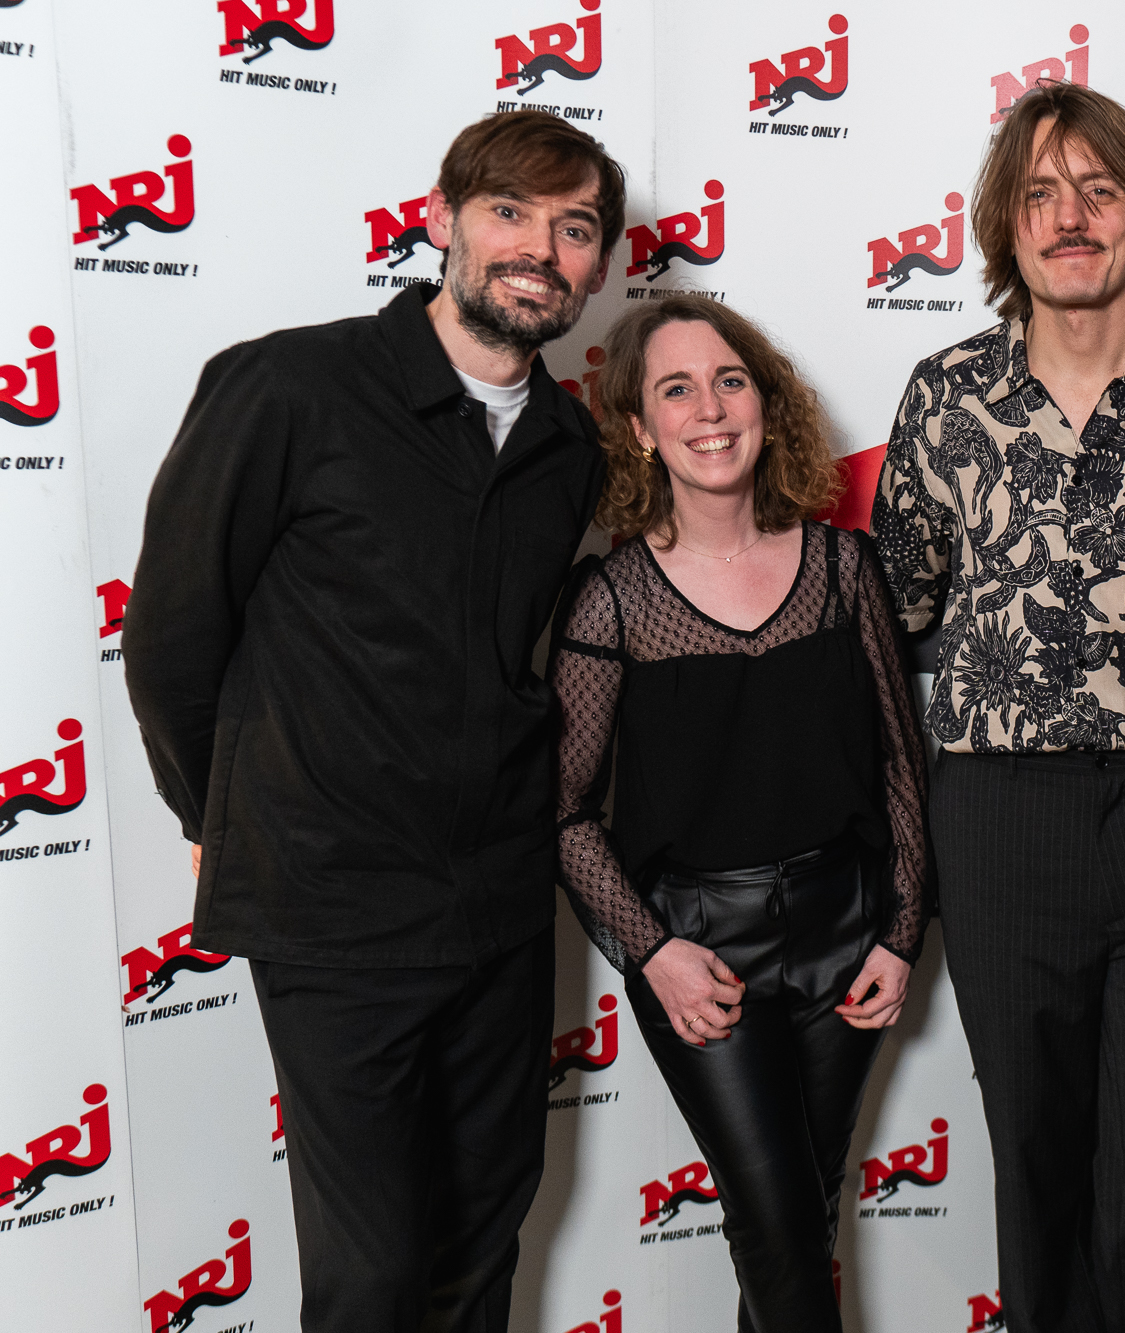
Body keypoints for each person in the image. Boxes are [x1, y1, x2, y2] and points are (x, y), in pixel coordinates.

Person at [122, 111, 622, 1331]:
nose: (539, 249)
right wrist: (215, 814)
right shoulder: (289, 386)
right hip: (333, 905)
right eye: (508, 212)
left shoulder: (570, 448)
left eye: (573, 229)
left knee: (481, 1241)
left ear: (600, 265)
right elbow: (175, 634)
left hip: (500, 906)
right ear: (441, 218)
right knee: (371, 1274)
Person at [872, 82, 1125, 1332]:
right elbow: (895, 613)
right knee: (1036, 1157)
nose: (1069, 217)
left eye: (1097, 191)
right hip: (1000, 818)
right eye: (1040, 194)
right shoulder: (944, 397)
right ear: (1004, 226)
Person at [550, 295, 931, 1331]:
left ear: (766, 403)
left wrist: (899, 933)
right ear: (640, 427)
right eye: (675, 390)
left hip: (847, 935)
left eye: (729, 381)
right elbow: (566, 813)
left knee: (800, 1217)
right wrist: (651, 952)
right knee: (775, 1224)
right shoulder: (611, 600)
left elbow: (901, 764)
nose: (710, 410)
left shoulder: (844, 568)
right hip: (701, 948)